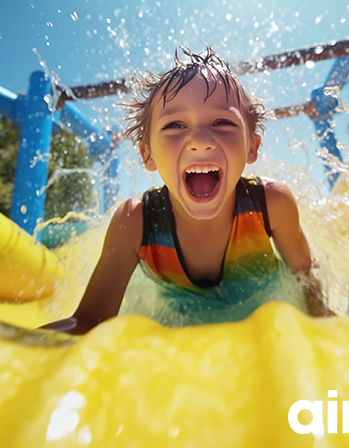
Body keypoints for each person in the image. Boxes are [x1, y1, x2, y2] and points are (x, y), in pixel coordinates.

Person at [43, 46, 331, 334]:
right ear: (148, 155)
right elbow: (90, 321)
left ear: (252, 147)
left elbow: (306, 278)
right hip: (177, 307)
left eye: (223, 122)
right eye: (175, 125)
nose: (200, 141)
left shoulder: (271, 204)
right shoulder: (135, 222)